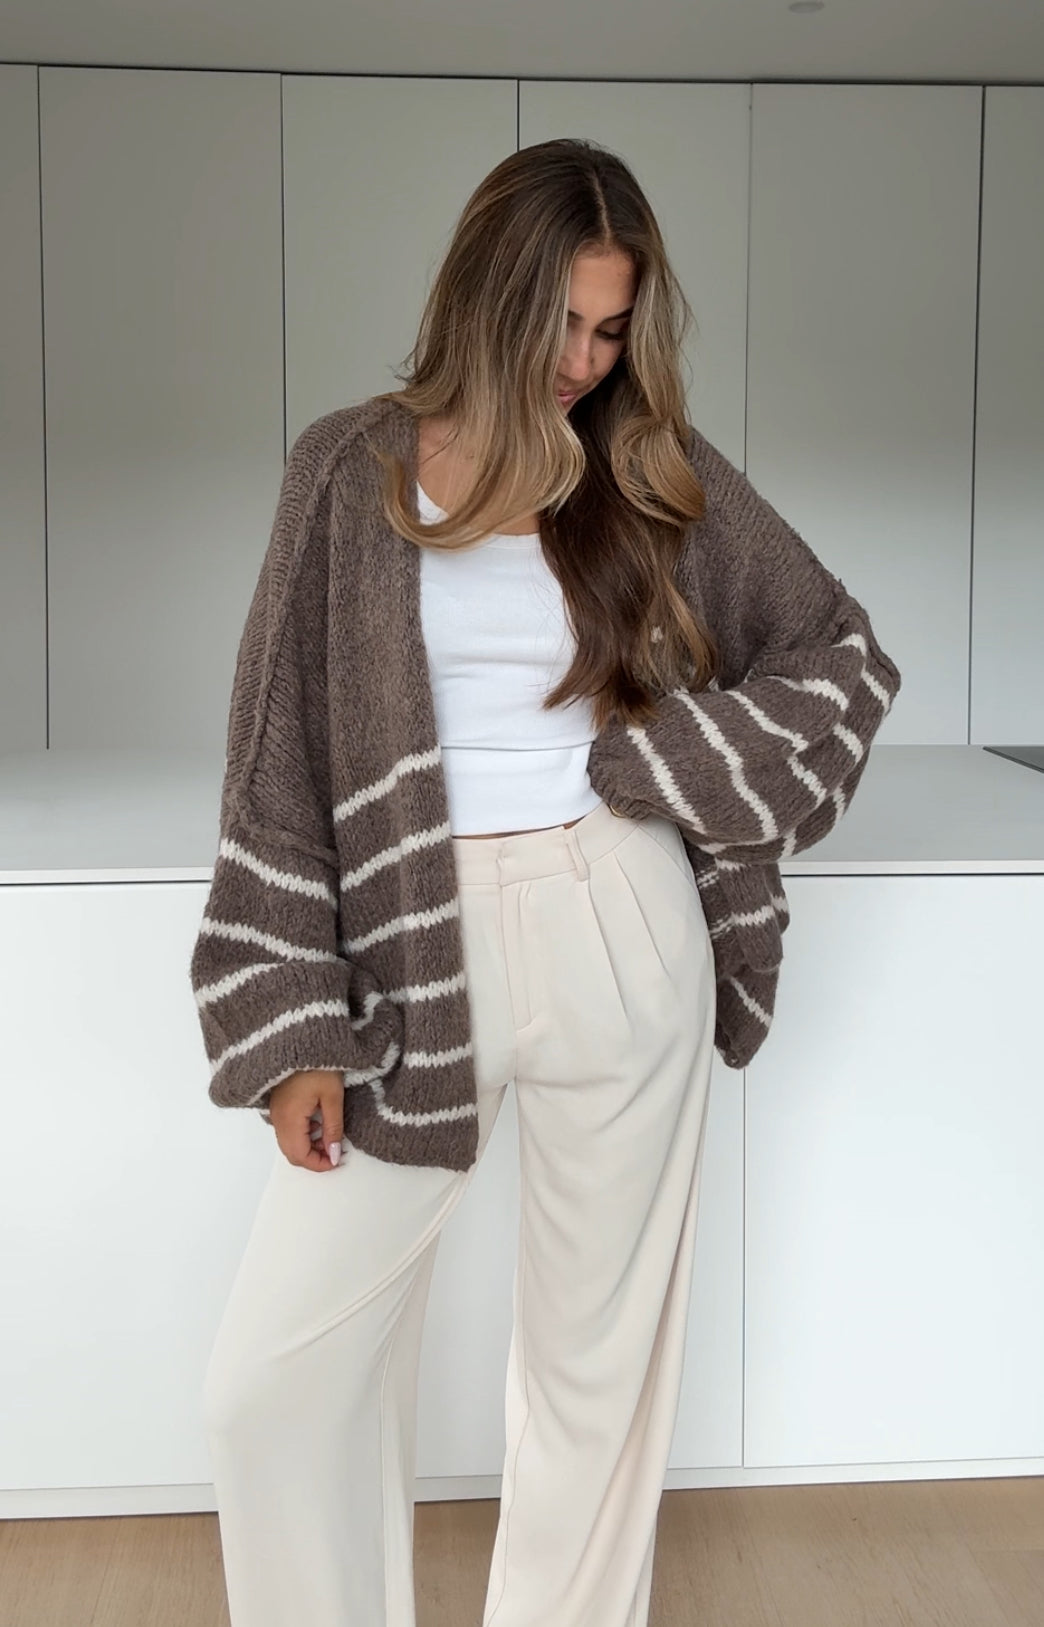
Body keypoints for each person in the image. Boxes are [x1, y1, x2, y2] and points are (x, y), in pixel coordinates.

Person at [191, 138, 900, 1627]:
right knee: (275, 1385)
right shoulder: (348, 470)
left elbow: (839, 654)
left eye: (612, 329)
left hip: (620, 920)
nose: (585, 362)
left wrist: (664, 761)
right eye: (562, 323)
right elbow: (276, 758)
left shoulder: (650, 475)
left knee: (595, 1386)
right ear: (484, 300)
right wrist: (294, 1025)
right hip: (412, 940)